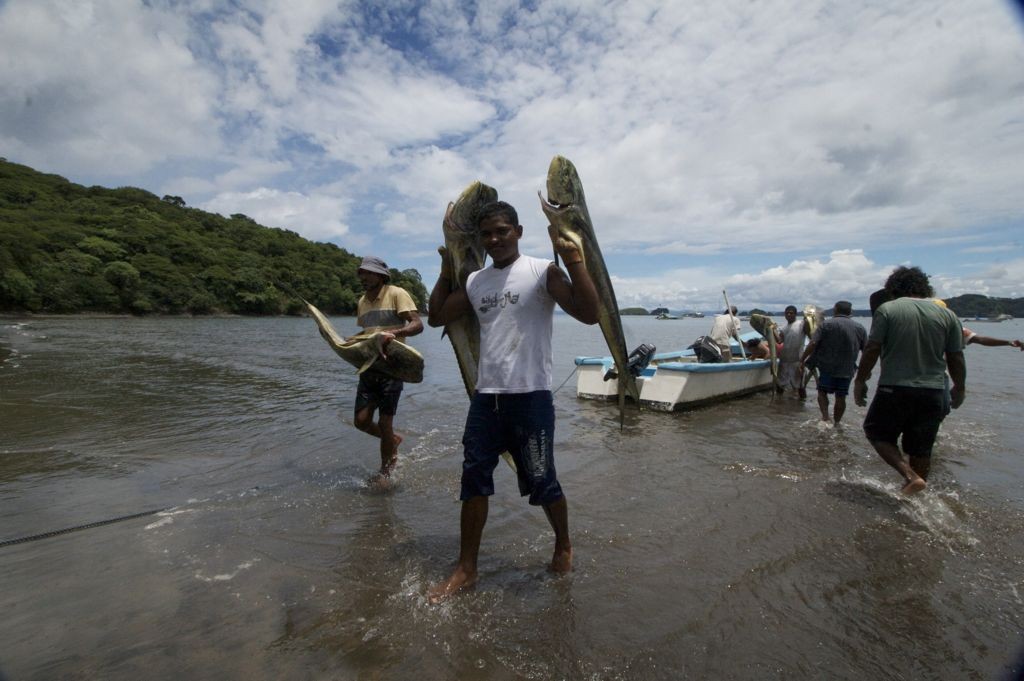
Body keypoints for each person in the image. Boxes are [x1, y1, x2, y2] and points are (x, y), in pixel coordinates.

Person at [426, 200, 600, 601]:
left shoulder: (542, 271)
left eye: (502, 231)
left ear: (518, 232)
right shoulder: (475, 282)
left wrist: (573, 257)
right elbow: (436, 316)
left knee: (542, 480)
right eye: (486, 234)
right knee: (473, 480)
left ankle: (563, 543)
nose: (494, 239)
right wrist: (445, 273)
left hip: (531, 398)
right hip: (486, 399)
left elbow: (589, 313)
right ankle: (466, 569)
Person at [853, 266, 965, 495]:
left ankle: (910, 477)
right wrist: (960, 387)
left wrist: (860, 381)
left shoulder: (887, 310)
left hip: (895, 388)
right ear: (925, 287)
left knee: (877, 432)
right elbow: (956, 356)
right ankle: (915, 498)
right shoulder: (948, 315)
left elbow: (872, 348)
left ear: (893, 288)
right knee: (921, 450)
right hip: (934, 390)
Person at [352, 255, 423, 481]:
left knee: (384, 422)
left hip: (393, 367)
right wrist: (349, 341)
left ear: (381, 276)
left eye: (368, 273)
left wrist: (393, 334)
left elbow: (417, 324)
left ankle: (385, 473)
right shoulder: (362, 301)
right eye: (361, 273)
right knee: (361, 421)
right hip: (370, 367)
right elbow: (368, 334)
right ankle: (392, 439)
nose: (363, 277)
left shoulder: (396, 293)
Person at [799, 301, 866, 424]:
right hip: (847, 369)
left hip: (827, 367)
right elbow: (866, 351)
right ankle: (837, 423)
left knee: (822, 391)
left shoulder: (826, 325)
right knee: (841, 396)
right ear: (851, 312)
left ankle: (825, 417)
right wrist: (865, 371)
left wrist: (802, 359)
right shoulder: (860, 328)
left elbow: (813, 343)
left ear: (835, 310)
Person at [778, 305, 809, 397]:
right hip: (784, 360)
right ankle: (777, 404)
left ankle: (802, 405)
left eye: (791, 313)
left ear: (795, 314)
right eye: (787, 313)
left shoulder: (801, 324)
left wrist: (807, 318)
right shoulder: (783, 327)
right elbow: (779, 341)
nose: (788, 314)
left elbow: (810, 332)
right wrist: (770, 331)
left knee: (800, 386)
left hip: (797, 360)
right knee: (780, 385)